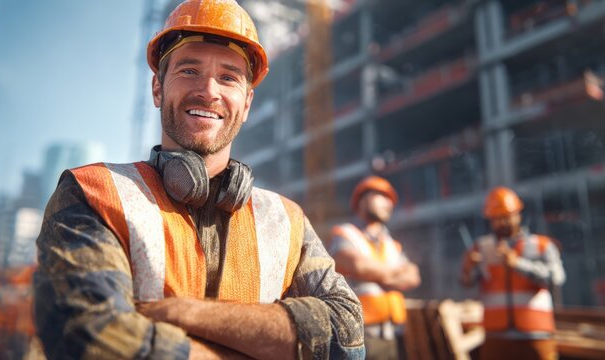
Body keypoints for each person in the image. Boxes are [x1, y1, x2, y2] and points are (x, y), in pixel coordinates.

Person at [33, 1, 364, 359]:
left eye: (229, 77)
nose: (209, 91)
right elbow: (91, 338)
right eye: (189, 71)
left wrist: (185, 312)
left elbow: (347, 337)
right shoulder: (94, 193)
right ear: (158, 89)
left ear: (247, 102)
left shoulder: (286, 220)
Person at [460, 186, 566, 360]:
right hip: (496, 337)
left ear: (518, 214)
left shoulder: (541, 245)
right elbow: (467, 282)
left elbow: (557, 277)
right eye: (496, 219)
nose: (501, 223)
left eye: (506, 217)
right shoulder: (482, 248)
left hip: (534, 335)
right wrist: (468, 267)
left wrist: (518, 263)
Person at [330, 176, 421, 360]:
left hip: (391, 335)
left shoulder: (391, 243)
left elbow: (413, 277)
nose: (388, 203)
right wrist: (394, 275)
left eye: (390, 200)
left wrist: (377, 274)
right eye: (381, 196)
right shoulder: (345, 234)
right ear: (362, 201)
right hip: (358, 337)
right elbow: (357, 265)